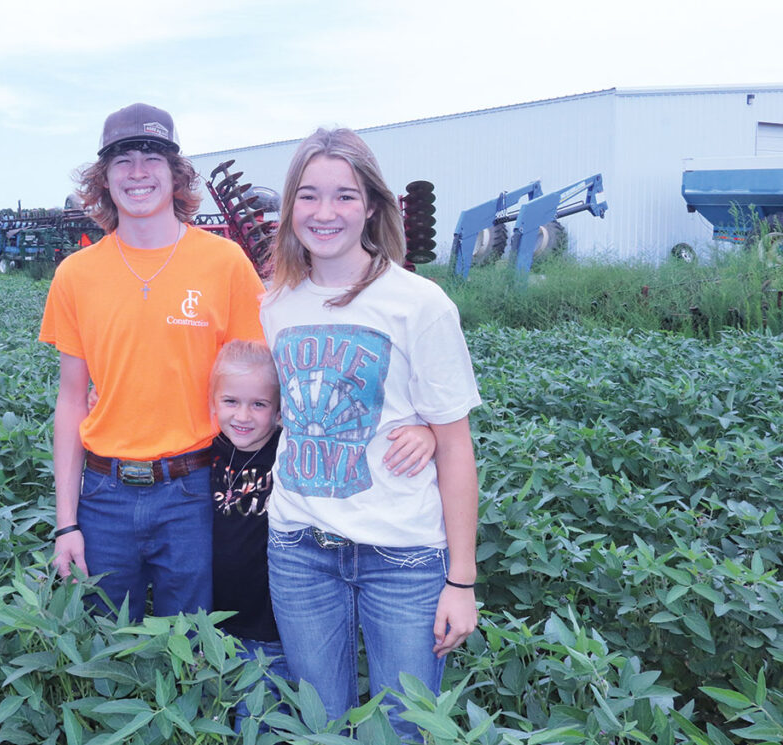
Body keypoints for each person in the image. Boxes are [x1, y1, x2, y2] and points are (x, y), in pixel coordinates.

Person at [260, 128, 482, 742]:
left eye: (344, 196)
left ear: (372, 206)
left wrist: (461, 582)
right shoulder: (275, 301)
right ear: (290, 208)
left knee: (403, 729)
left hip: (403, 556)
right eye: (308, 196)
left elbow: (457, 445)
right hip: (300, 548)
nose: (324, 213)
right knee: (318, 727)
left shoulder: (420, 304)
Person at [38, 102, 265, 621]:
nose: (137, 172)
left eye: (152, 157)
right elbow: (72, 399)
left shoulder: (224, 263)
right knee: (105, 651)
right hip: (102, 497)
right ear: (104, 179)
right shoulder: (76, 274)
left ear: (176, 174)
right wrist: (66, 523)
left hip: (194, 491)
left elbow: (261, 378)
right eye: (122, 160)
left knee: (194, 652)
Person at [208, 338, 436, 730]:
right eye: (230, 402)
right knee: (243, 723)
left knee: (285, 721)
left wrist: (427, 433)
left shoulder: (289, 449)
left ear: (281, 413)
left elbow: (357, 440)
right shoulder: (208, 452)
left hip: (282, 630)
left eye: (259, 405)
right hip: (224, 629)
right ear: (213, 404)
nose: (243, 415)